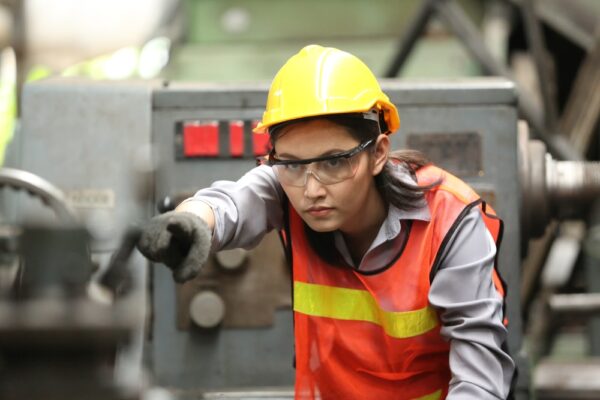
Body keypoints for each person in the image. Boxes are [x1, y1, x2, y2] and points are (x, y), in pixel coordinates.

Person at [138, 44, 515, 399]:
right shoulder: (287, 185)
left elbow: (479, 382)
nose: (310, 189)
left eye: (334, 161)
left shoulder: (450, 222)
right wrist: (189, 222)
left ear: (378, 153)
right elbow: (229, 204)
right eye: (292, 164)